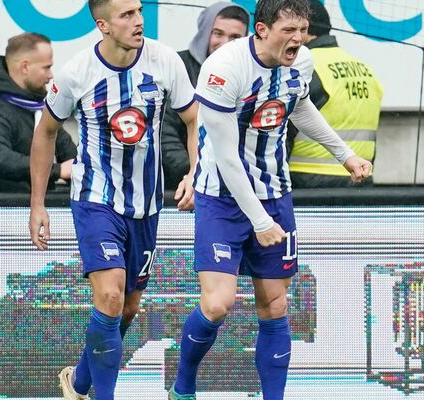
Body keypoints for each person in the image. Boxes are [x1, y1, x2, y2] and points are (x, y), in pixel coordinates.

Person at [168, 0, 371, 399]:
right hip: (222, 197)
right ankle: (183, 386)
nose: (299, 38)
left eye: (303, 29)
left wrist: (344, 154)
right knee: (218, 305)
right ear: (261, 30)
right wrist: (260, 222)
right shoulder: (224, 69)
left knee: (275, 307)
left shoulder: (303, 62)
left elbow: (302, 107)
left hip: (276, 193)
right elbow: (225, 157)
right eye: (288, 30)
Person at [28, 0, 198, 398]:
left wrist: (195, 171)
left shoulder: (165, 61)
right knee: (108, 293)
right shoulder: (76, 73)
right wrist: (38, 203)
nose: (138, 21)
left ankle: (80, 382)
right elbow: (45, 132)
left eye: (139, 11)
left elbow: (194, 120)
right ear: (103, 25)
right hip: (95, 197)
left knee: (125, 308)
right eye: (126, 15)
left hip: (146, 203)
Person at [287, 0, 383, 187]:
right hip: (359, 178)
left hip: (307, 180)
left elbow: (285, 131)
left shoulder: (305, 68)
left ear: (305, 30)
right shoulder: (365, 69)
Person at [0, 32, 77, 192]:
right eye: (46, 67)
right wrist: (58, 170)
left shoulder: (40, 108)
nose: (51, 75)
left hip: (39, 211)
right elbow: (1, 159)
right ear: (25, 67)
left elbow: (69, 154)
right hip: (0, 212)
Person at [160, 2, 249, 189]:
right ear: (205, 33)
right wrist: (195, 174)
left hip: (237, 184)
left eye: (234, 37)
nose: (225, 43)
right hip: (184, 183)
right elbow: (165, 131)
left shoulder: (251, 73)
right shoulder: (179, 66)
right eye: (218, 34)